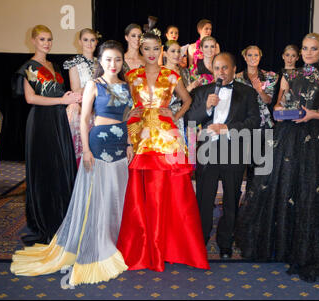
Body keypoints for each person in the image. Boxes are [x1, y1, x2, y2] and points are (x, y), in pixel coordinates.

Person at [235, 33, 319, 285]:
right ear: (301, 52)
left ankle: (308, 247)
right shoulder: (290, 76)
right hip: (287, 138)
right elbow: (277, 107)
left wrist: (311, 115)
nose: (308, 53)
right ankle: (284, 245)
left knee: (312, 191)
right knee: (285, 187)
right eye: (305, 49)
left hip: (318, 140)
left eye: (313, 49)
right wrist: (281, 111)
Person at [11, 40, 133, 286]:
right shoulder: (94, 85)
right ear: (101, 61)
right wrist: (86, 150)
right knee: (96, 198)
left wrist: (129, 143)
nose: (113, 64)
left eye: (117, 59)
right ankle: (94, 246)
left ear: (122, 62)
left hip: (121, 147)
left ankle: (109, 240)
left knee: (115, 196)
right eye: (108, 59)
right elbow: (86, 119)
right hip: (98, 146)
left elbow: (125, 118)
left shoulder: (125, 85)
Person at [116, 32, 209, 272]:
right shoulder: (131, 75)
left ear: (162, 51)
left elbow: (187, 100)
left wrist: (174, 115)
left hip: (166, 136)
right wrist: (128, 139)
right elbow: (129, 107)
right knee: (141, 194)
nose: (151, 53)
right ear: (140, 49)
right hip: (139, 134)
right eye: (146, 48)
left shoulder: (171, 75)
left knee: (172, 192)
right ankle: (144, 249)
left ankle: (168, 248)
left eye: (155, 49)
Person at [186, 52, 260, 259]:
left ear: (234, 69)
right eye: (217, 68)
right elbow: (190, 119)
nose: (221, 72)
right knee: (204, 199)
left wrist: (228, 128)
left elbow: (254, 121)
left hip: (234, 151)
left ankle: (226, 242)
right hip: (207, 151)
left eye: (225, 68)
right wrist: (206, 107)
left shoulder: (247, 93)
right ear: (212, 69)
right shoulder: (202, 92)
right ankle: (200, 240)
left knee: (231, 198)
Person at [13, 25, 80, 245]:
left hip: (58, 119)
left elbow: (58, 92)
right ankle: (45, 219)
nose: (47, 43)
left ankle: (61, 215)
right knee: (46, 169)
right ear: (33, 40)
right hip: (41, 122)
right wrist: (62, 100)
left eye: (49, 39)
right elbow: (31, 99)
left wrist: (68, 97)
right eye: (42, 39)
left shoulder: (53, 64)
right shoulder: (29, 67)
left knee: (60, 166)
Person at [235, 45, 278, 188]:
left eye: (256, 55)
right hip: (244, 123)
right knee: (242, 164)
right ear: (245, 57)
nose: (253, 58)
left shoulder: (270, 76)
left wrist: (259, 89)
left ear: (260, 57)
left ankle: (257, 201)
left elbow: (268, 100)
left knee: (261, 166)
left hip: (264, 123)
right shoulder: (237, 78)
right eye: (250, 55)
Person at [63, 28, 99, 167]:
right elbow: (76, 89)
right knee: (79, 151)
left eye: (92, 40)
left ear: (96, 42)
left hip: (98, 109)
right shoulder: (74, 62)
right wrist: (95, 87)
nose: (89, 43)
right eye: (85, 40)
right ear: (79, 42)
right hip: (80, 108)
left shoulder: (101, 62)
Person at [164, 40, 201, 141]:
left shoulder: (184, 72)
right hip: (164, 116)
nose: (177, 54)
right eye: (173, 51)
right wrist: (187, 89)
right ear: (165, 53)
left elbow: (188, 100)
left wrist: (177, 116)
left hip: (182, 115)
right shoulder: (160, 73)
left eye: (178, 51)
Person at [270, 45, 300, 115]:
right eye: (287, 55)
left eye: (293, 56)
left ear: (297, 58)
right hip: (277, 112)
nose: (290, 58)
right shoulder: (275, 75)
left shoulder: (300, 75)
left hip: (294, 112)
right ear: (283, 56)